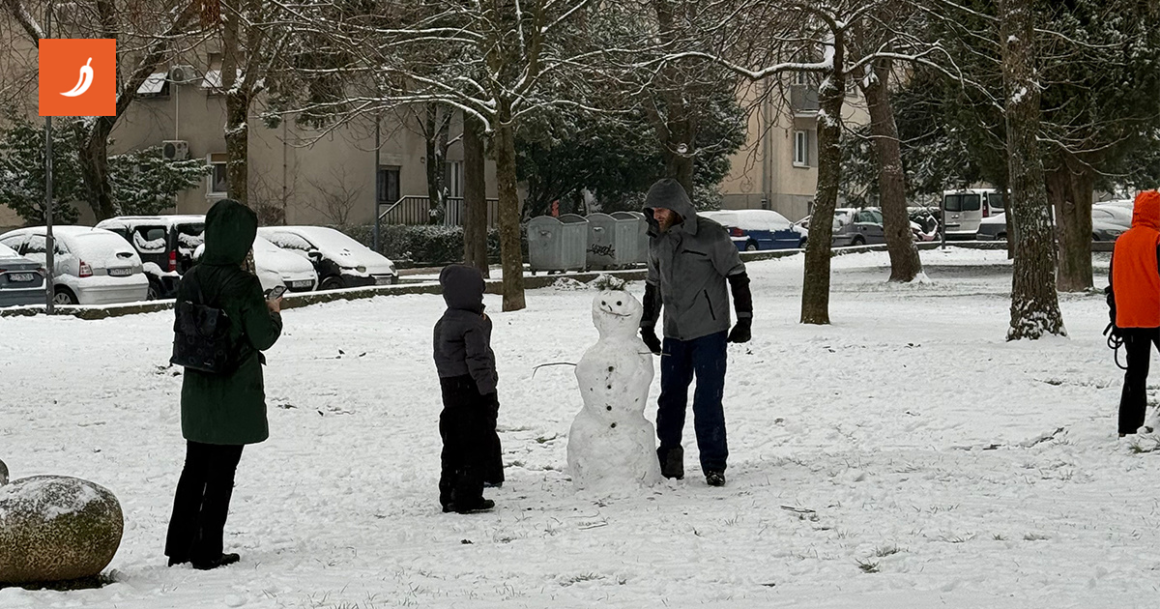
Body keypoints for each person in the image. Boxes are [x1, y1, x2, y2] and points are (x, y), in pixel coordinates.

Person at [165, 199, 283, 570]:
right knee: (221, 473)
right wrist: (274, 313)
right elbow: (261, 337)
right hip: (233, 389)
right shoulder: (244, 284)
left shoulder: (191, 278)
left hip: (198, 386)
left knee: (194, 468)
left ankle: (180, 545)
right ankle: (207, 550)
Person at [639, 178, 753, 487]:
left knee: (707, 400)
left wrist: (744, 319)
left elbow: (737, 276)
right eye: (652, 210)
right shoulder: (657, 240)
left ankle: (714, 464)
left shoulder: (711, 235)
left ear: (677, 208)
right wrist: (648, 325)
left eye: (661, 209)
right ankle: (670, 460)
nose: (657, 215)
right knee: (670, 400)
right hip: (674, 332)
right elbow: (653, 286)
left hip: (709, 331)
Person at [433, 264, 500, 513]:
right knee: (476, 445)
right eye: (479, 293)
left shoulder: (443, 322)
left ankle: (449, 493)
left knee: (453, 445)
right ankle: (468, 497)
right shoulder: (471, 324)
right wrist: (488, 391)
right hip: (472, 390)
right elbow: (478, 360)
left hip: (450, 390)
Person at [1108, 190, 1160, 437]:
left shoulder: (1121, 242)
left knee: (1135, 374)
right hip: (1157, 315)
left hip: (1129, 318)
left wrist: (1115, 316)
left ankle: (1127, 427)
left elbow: (1112, 283)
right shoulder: (1157, 241)